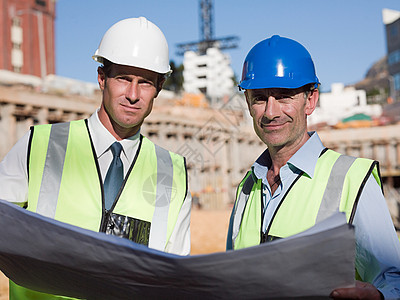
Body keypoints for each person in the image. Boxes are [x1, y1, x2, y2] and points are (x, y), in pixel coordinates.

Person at [0, 17, 191, 299]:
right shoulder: (39, 146)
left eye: (145, 83)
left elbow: (174, 278)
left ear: (159, 88)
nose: (133, 95)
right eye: (123, 79)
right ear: (102, 78)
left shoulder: (173, 172)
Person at [226, 35, 400, 299]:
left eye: (284, 96)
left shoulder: (352, 180)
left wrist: (378, 296)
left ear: (310, 100)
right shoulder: (248, 187)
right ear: (248, 103)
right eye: (260, 97)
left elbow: (392, 279)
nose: (271, 112)